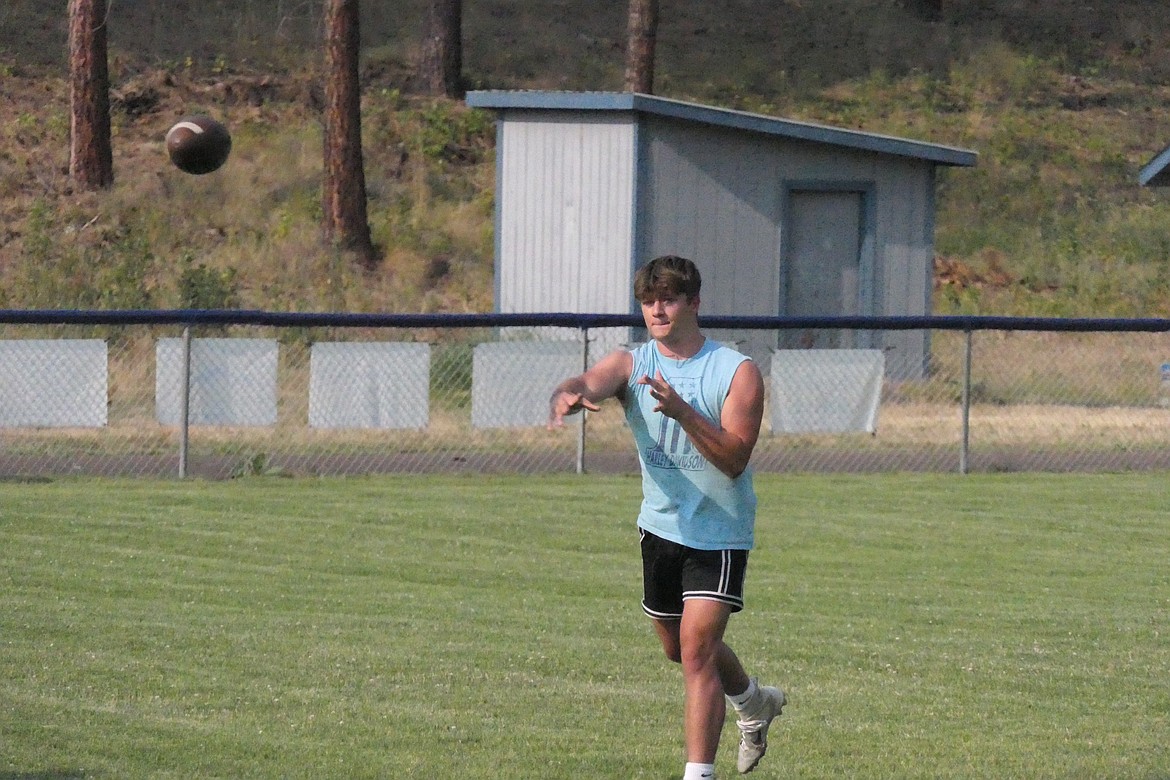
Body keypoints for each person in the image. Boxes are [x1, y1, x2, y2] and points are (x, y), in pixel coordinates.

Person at [548, 255, 785, 779]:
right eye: (648, 301)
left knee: (697, 651)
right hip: (660, 527)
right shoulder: (632, 364)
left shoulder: (736, 372)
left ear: (693, 303)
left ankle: (698, 773)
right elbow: (591, 379)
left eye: (668, 299)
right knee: (679, 649)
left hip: (719, 529)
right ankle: (753, 700)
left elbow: (733, 459)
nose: (656, 309)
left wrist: (682, 411)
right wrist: (570, 392)